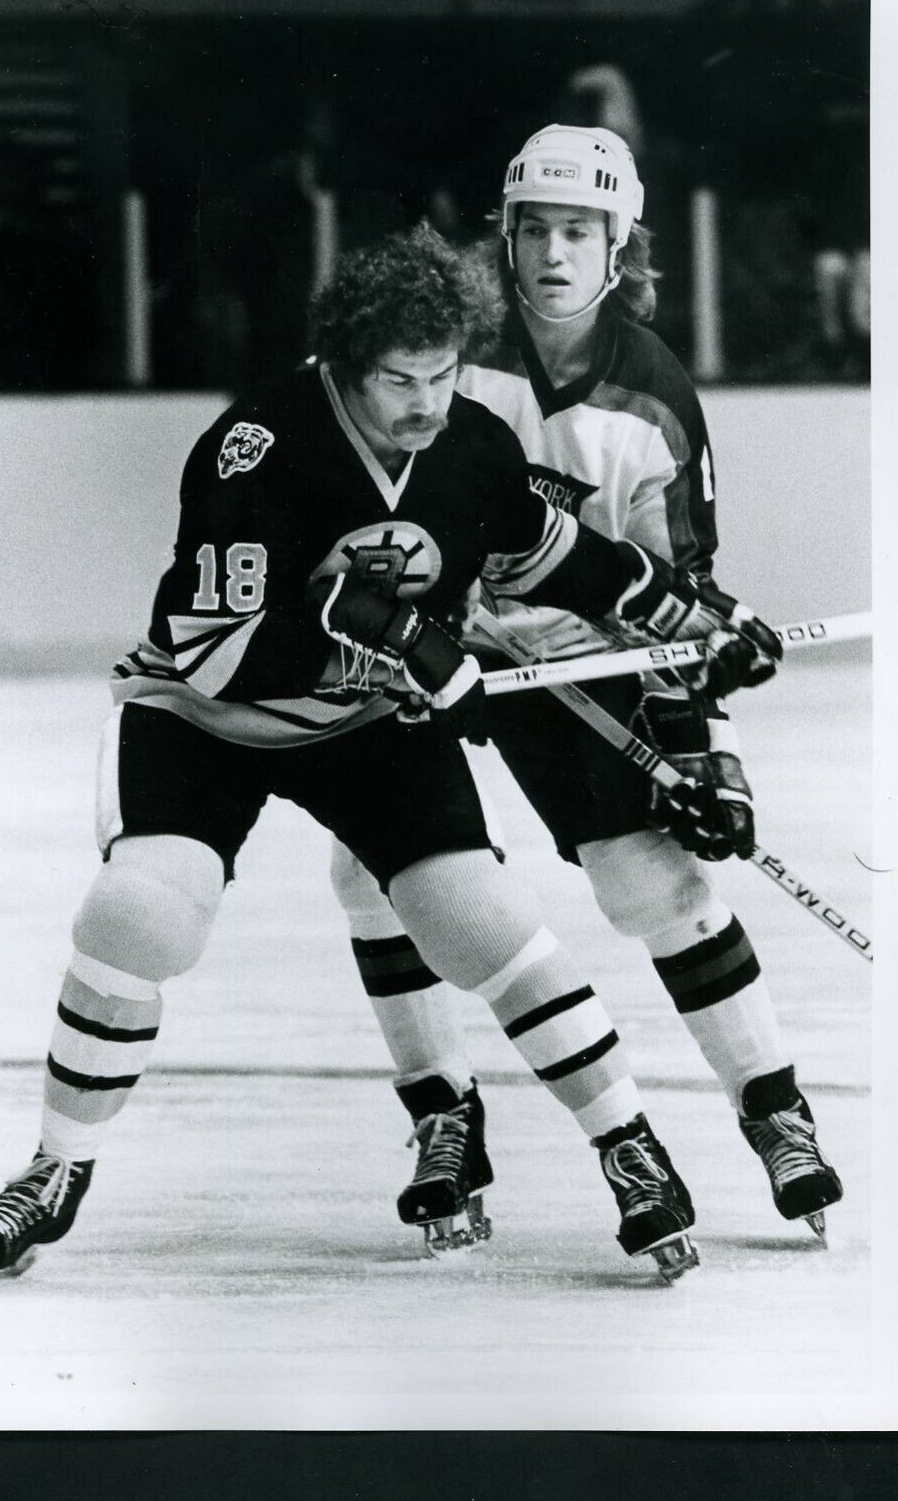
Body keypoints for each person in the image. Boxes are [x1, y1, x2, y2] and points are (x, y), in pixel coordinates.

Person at [0, 222, 780, 1291]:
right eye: (399, 380)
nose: (427, 404)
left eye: (442, 374)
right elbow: (214, 654)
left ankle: (629, 1146)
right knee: (142, 913)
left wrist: (694, 611)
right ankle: (53, 1170)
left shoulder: (471, 443)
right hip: (204, 722)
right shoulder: (256, 445)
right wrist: (382, 632)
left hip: (365, 726)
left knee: (486, 922)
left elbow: (564, 555)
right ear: (345, 365)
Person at [330, 127, 844, 1248]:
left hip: (577, 654)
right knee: (377, 874)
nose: (555, 253)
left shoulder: (655, 399)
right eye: (535, 229)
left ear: (622, 248)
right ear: (503, 239)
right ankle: (443, 1115)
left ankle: (776, 1111)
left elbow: (683, 589)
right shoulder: (449, 348)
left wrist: (710, 735)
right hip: (433, 647)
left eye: (580, 231)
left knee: (652, 886)